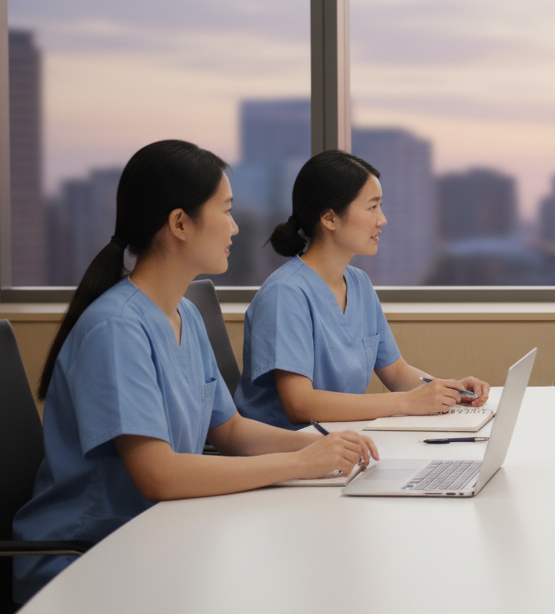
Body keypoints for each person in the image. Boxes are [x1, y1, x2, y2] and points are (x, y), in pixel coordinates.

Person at [11, 141, 379, 606]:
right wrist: (301, 464)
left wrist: (324, 448)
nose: (236, 226)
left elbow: (229, 430)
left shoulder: (181, 312)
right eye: (225, 211)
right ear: (179, 223)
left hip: (157, 537)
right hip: (86, 559)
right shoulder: (116, 328)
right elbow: (159, 475)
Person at [234, 150, 489, 429]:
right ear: (330, 219)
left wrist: (447, 391)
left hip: (340, 442)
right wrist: (407, 403)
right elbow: (300, 405)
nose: (382, 219)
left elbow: (396, 371)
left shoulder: (359, 283)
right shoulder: (285, 294)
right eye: (372, 207)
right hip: (286, 453)